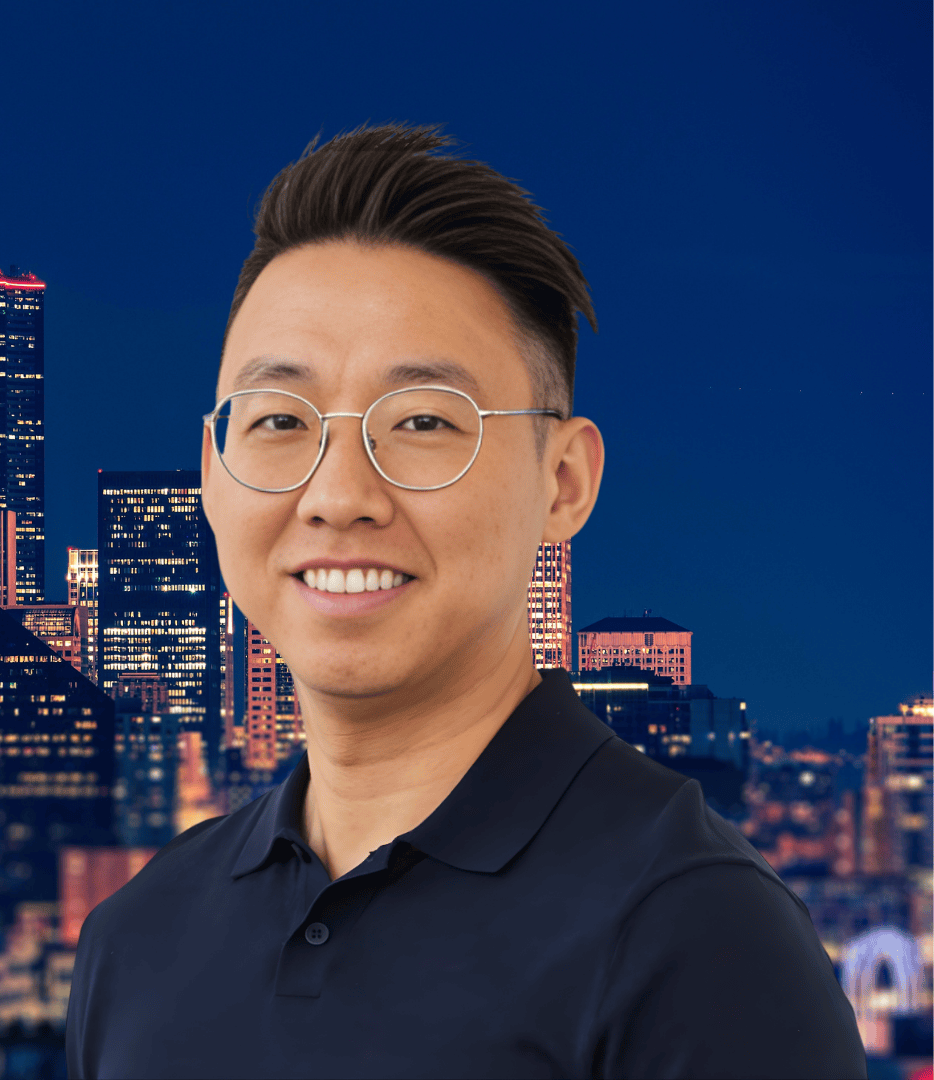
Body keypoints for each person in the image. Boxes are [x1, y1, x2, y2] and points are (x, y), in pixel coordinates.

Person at [64, 124, 864, 1079]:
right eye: (280, 421)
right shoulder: (139, 937)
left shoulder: (694, 934)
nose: (338, 494)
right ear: (211, 472)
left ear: (563, 483)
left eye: (424, 423)